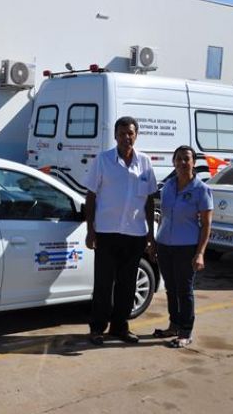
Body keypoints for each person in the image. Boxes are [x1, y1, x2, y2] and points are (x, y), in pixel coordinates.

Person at [84, 116, 157, 346]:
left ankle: (120, 327)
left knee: (128, 285)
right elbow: (91, 197)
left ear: (136, 135)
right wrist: (90, 230)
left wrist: (150, 234)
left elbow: (149, 200)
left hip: (135, 234)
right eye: (123, 133)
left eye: (131, 133)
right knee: (104, 284)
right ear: (115, 135)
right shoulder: (103, 161)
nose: (127, 137)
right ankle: (97, 328)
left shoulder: (145, 163)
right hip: (107, 233)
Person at [153, 145, 213, 348]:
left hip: (186, 247)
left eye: (186, 159)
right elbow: (163, 216)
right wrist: (155, 241)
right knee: (170, 288)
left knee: (184, 290)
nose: (182, 162)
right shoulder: (168, 186)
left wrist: (200, 253)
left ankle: (185, 332)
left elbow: (206, 225)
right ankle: (173, 325)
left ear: (194, 162)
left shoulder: (201, 189)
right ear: (173, 162)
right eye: (178, 159)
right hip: (164, 245)